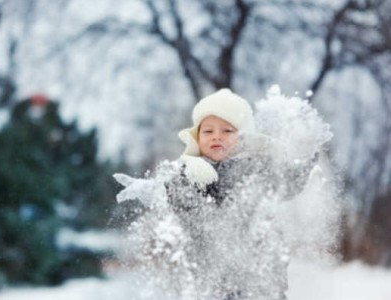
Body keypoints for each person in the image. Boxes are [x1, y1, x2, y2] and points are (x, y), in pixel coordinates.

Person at [115, 88, 318, 300]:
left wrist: (304, 164)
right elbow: (181, 200)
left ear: (243, 137)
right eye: (208, 131)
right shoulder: (189, 174)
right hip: (211, 277)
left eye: (227, 131)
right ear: (197, 137)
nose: (216, 137)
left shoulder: (260, 168)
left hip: (259, 277)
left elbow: (286, 183)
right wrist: (156, 190)